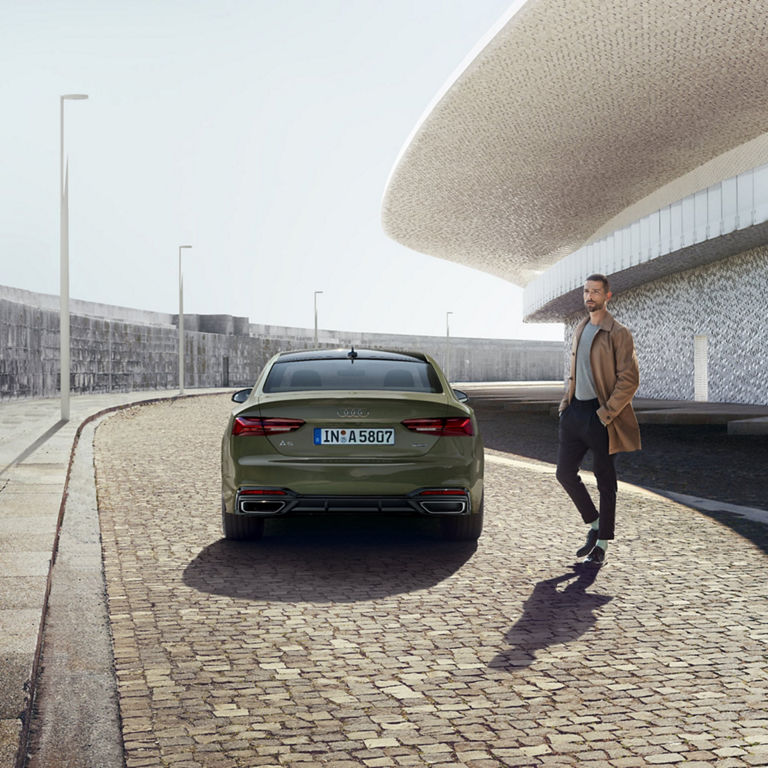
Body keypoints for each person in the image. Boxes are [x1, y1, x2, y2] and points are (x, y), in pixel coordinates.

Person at [556, 274, 641, 566]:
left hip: (600, 415)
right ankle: (593, 523)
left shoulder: (618, 333)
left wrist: (606, 414)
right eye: (586, 292)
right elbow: (574, 371)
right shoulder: (580, 328)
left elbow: (629, 380)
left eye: (595, 292)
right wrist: (565, 405)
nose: (589, 297)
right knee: (564, 473)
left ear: (608, 296)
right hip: (574, 413)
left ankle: (603, 543)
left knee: (606, 481)